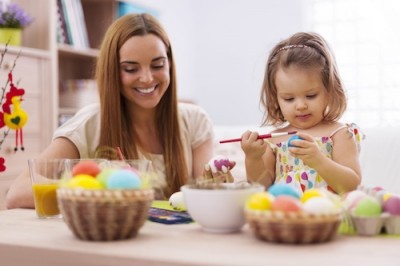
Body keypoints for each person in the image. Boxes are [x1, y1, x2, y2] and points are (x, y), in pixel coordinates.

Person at [6, 13, 215, 208]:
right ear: (112, 71)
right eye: (131, 69)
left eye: (158, 65)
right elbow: (17, 192)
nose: (147, 78)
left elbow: (209, 197)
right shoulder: (88, 125)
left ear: (169, 64)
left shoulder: (195, 120)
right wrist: (93, 192)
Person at [240, 32, 363, 195]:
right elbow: (262, 187)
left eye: (311, 96)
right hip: (285, 217)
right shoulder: (274, 140)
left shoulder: (339, 134)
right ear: (276, 99)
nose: (301, 106)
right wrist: (253, 158)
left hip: (329, 216)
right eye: (289, 98)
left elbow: (352, 185)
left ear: (329, 91)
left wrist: (318, 161)